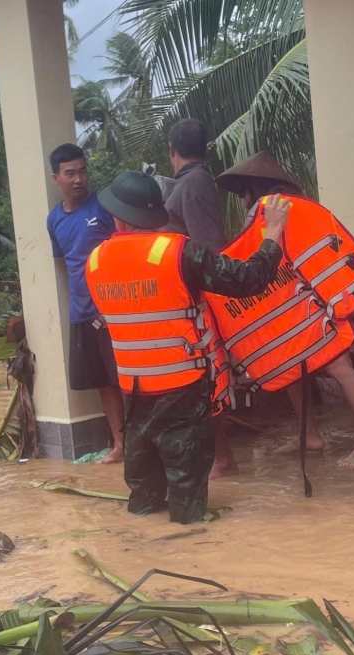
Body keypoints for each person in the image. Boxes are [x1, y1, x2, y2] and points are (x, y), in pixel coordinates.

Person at [85, 171, 288, 524]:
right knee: (189, 508)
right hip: (183, 393)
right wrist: (273, 232)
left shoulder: (96, 261)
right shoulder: (179, 252)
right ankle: (192, 550)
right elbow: (248, 279)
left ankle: (137, 547)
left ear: (118, 217)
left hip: (133, 395)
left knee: (143, 501)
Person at [217, 151, 354, 469]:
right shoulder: (298, 207)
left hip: (304, 307)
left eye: (242, 191)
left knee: (338, 368)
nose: (241, 198)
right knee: (296, 369)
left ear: (254, 186)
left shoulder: (267, 213)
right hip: (309, 303)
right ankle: (311, 436)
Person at [163, 119, 238, 478]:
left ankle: (223, 458)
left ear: (171, 149)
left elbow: (207, 247)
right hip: (188, 296)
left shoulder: (193, 184)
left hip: (200, 297)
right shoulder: (187, 183)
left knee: (208, 378)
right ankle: (217, 456)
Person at [47, 143, 125, 465]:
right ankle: (120, 445)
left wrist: (115, 306)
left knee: (127, 381)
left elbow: (123, 253)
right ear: (56, 178)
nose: (78, 179)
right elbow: (68, 264)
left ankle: (144, 446)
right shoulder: (54, 220)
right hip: (81, 315)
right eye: (70, 174)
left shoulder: (104, 207)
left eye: (82, 171)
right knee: (103, 385)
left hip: (113, 313)